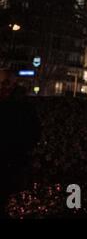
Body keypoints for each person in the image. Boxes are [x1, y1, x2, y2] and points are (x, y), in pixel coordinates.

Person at [0, 69, 41, 218]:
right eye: (3, 84)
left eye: (7, 84)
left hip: (11, 163)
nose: (4, 88)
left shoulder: (23, 107)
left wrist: (19, 150)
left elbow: (33, 133)